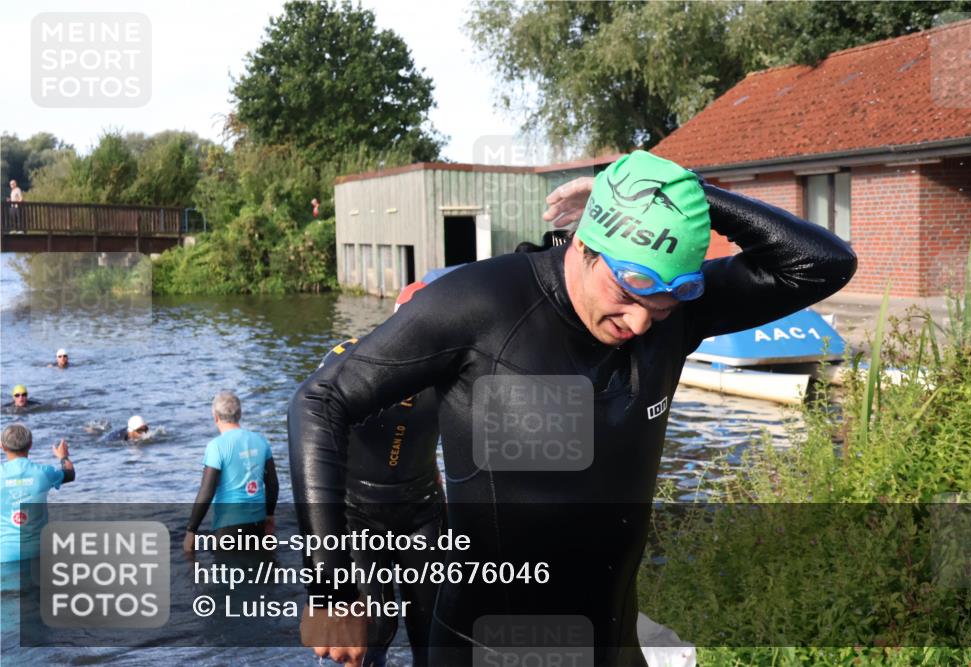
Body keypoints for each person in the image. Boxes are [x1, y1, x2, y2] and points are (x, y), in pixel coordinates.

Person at [288, 151, 857, 666]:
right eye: (628, 296)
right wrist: (330, 588)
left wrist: (674, 191)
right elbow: (321, 402)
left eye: (659, 310)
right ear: (585, 245)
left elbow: (822, 262)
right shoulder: (479, 305)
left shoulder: (679, 314)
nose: (638, 324)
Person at [304, 335, 444, 667]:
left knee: (433, 630)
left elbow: (425, 444)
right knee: (373, 630)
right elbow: (312, 422)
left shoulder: (450, 362)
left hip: (422, 509)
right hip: (360, 513)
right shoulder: (349, 359)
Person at [183, 391, 278, 551]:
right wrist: (269, 516)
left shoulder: (216, 446)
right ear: (239, 414)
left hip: (228, 528)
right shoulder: (261, 441)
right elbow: (273, 484)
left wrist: (191, 530)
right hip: (258, 525)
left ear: (215, 417)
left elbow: (206, 492)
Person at [0, 424, 76, 563]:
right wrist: (63, 456)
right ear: (30, 445)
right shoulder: (43, 472)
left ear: (2, 446)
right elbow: (70, 474)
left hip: (5, 554)